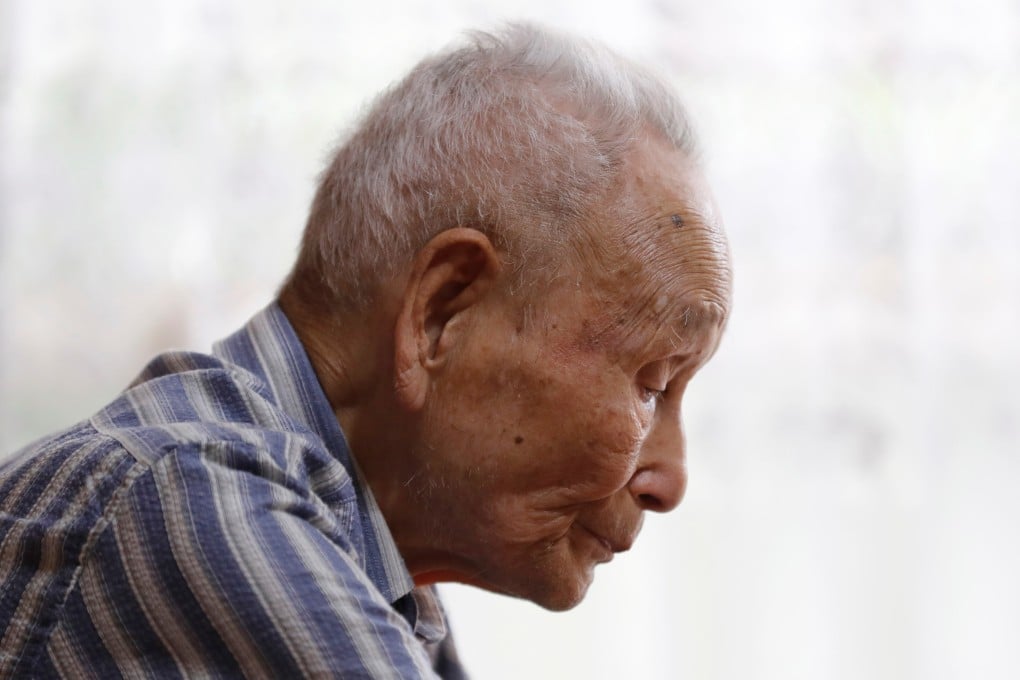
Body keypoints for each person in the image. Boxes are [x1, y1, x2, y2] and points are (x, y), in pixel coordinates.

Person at [0, 23, 731, 679]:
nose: (669, 481)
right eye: (651, 384)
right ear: (442, 314)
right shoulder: (189, 498)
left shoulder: (378, 572)